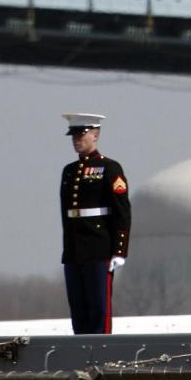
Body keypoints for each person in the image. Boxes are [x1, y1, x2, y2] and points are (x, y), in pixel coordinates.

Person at [60, 113, 130, 334]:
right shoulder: (69, 171)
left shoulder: (109, 168)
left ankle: (101, 355)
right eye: (74, 135)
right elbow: (66, 213)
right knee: (78, 309)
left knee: (99, 310)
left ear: (96, 134)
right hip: (74, 250)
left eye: (82, 134)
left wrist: (119, 250)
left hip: (99, 248)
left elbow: (121, 211)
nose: (76, 139)